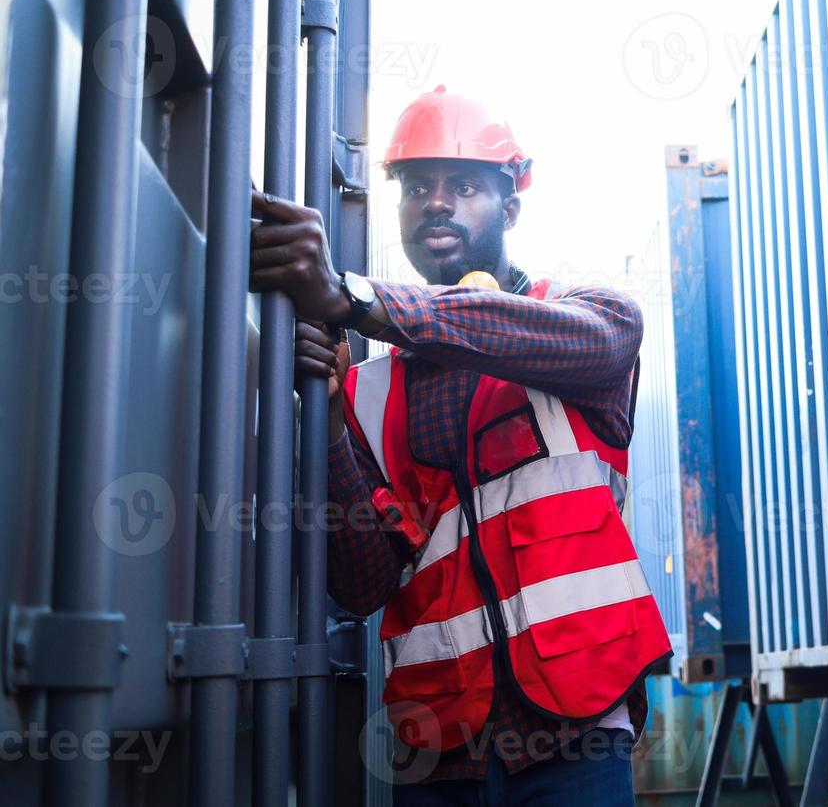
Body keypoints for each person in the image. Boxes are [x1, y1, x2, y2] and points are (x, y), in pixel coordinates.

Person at [248, 85, 670, 806]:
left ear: (510, 207)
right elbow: (360, 588)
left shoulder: (585, 321)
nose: (436, 203)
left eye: (465, 185)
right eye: (416, 188)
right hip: (440, 748)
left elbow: (581, 341)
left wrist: (349, 297)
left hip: (577, 729)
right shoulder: (369, 391)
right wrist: (318, 420)